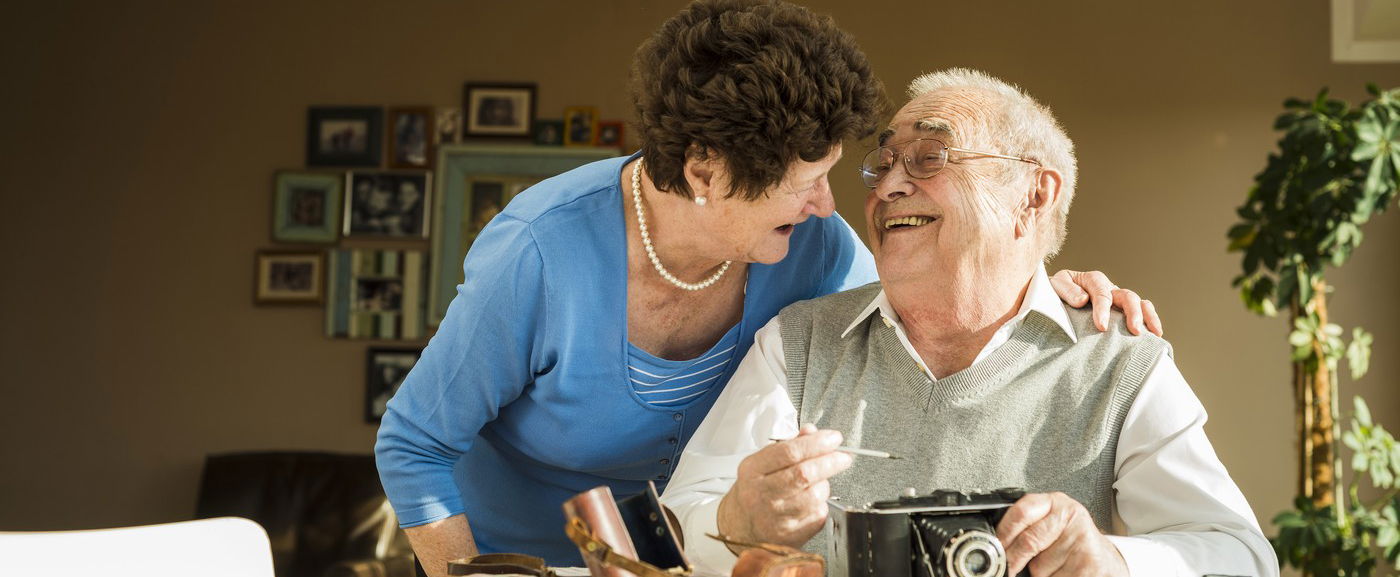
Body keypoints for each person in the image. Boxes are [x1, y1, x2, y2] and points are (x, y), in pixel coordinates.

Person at [374, 3, 1159, 574]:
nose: (829, 203)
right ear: (706, 170)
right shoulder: (541, 251)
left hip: (678, 562)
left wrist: (1043, 281)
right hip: (519, 559)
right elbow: (414, 444)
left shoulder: (810, 247)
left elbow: (923, 295)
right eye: (806, 181)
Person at [660, 68, 1275, 577]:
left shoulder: (1119, 360)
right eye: (885, 161)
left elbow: (1240, 555)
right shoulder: (798, 341)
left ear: (1034, 195)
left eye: (930, 157)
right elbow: (677, 529)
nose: (889, 186)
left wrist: (1110, 558)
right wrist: (737, 522)